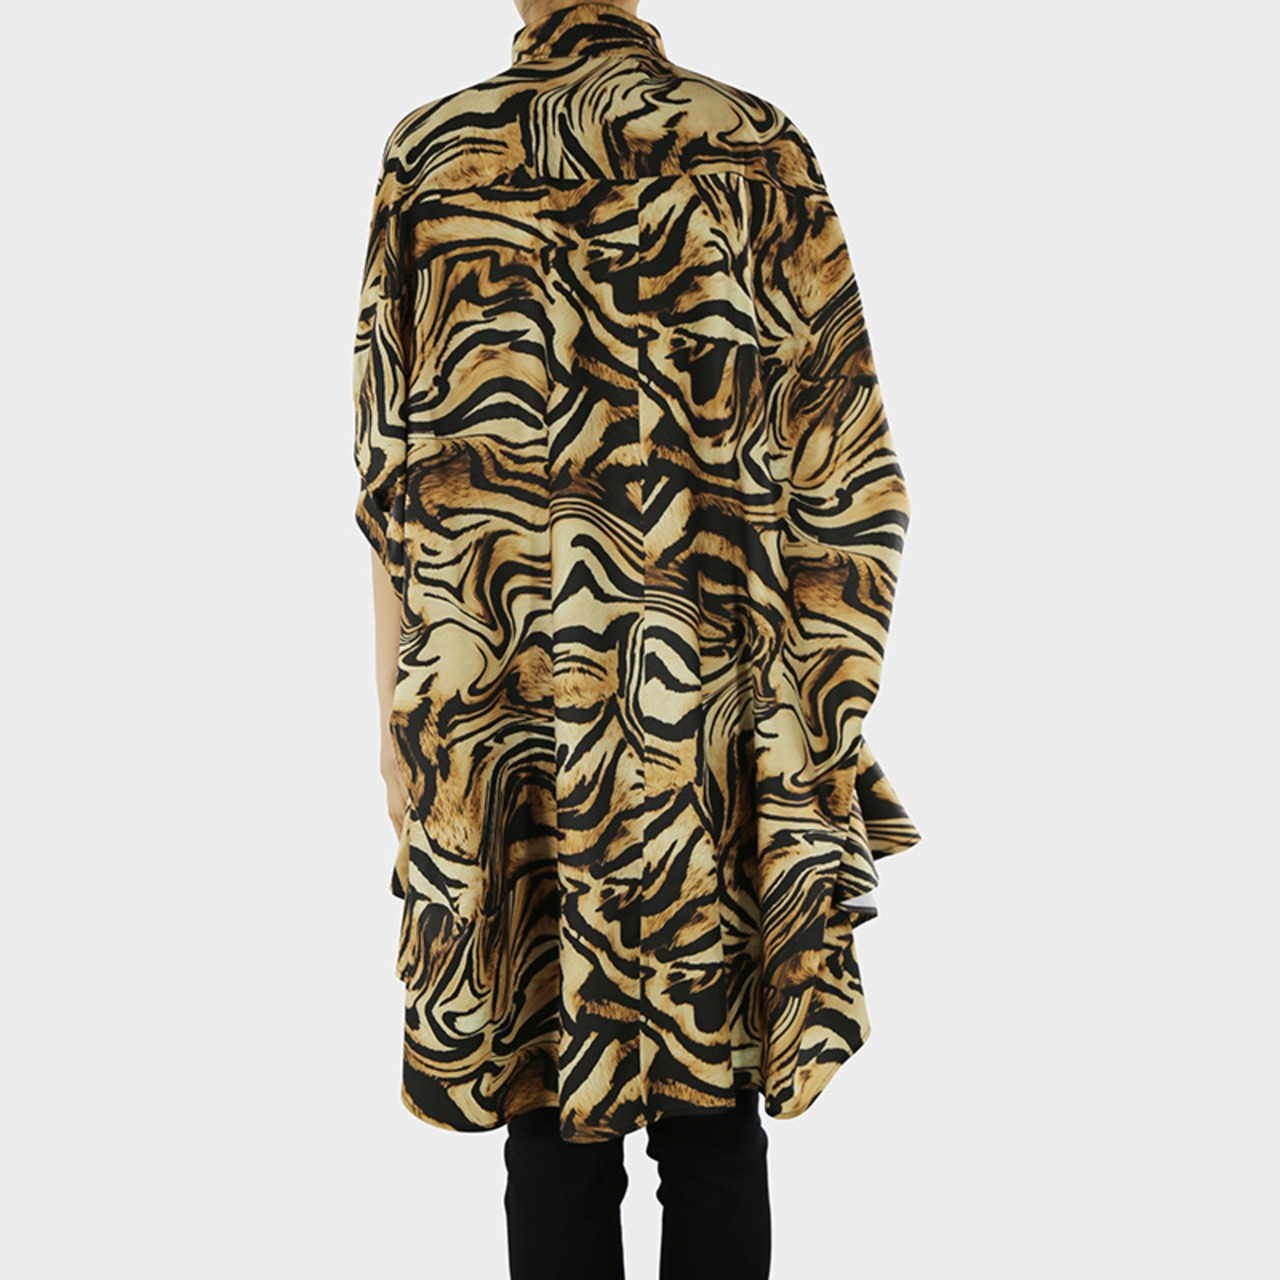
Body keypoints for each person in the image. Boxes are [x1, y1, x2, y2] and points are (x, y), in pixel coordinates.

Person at [351, 3, 922, 1276]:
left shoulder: (435, 156)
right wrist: (809, 726)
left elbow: (392, 488)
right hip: (707, 723)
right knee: (713, 1122)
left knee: (546, 1110)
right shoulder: (751, 145)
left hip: (501, 704)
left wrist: (398, 721)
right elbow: (849, 479)